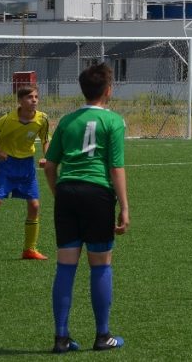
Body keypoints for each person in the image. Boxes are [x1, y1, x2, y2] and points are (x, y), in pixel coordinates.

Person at [44, 63, 129, 353]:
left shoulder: (67, 121)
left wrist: (60, 193)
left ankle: (61, 337)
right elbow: (116, 167)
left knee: (65, 265)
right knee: (100, 264)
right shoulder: (114, 122)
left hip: (67, 191)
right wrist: (125, 208)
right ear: (108, 90)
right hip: (97, 195)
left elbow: (50, 165)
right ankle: (102, 335)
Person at [0, 84, 51, 265]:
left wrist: (47, 157)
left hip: (27, 166)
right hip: (6, 166)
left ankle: (29, 249)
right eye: (30, 97)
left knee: (34, 205)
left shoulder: (42, 119)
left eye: (36, 97)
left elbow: (45, 139)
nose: (34, 100)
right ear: (21, 101)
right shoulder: (6, 120)